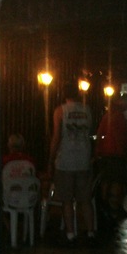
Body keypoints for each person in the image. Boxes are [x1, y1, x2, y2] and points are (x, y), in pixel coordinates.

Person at [48, 88, 95, 243]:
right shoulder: (87, 110)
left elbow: (56, 136)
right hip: (84, 159)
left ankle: (70, 233)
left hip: (65, 160)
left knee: (67, 199)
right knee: (85, 199)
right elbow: (91, 133)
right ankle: (90, 231)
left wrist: (51, 159)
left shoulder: (60, 111)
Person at [93, 94, 127, 225]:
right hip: (114, 154)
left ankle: (107, 206)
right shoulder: (117, 117)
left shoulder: (111, 116)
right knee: (115, 181)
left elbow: (101, 133)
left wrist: (98, 149)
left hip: (110, 153)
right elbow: (118, 137)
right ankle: (111, 206)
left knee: (108, 180)